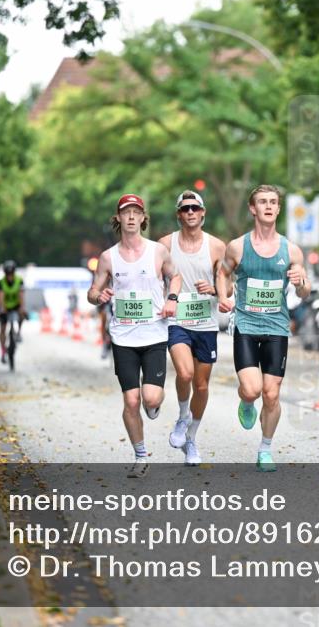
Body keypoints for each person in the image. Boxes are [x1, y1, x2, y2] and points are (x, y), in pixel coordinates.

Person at [87, 193, 181, 478]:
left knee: (150, 399)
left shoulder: (158, 252)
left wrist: (172, 299)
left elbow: (175, 276)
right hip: (123, 338)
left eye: (135, 212)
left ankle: (154, 403)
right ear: (118, 218)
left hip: (154, 334)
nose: (130, 217)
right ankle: (141, 456)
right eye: (125, 212)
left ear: (142, 218)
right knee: (130, 401)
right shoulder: (108, 257)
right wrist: (99, 296)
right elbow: (92, 292)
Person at [222, 185, 311, 472]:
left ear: (278, 209)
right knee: (252, 390)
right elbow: (223, 273)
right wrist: (223, 296)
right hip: (246, 324)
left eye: (273, 202)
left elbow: (305, 292)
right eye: (263, 202)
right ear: (253, 208)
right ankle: (247, 403)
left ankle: (265, 450)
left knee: (271, 394)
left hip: (277, 327)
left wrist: (301, 283)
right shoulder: (238, 247)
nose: (269, 206)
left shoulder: (291, 250)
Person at [159, 190, 233, 466]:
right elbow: (155, 278)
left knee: (201, 386)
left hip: (206, 323)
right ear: (178, 215)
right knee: (185, 372)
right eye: (185, 208)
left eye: (194, 208)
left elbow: (228, 286)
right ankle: (182, 417)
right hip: (177, 321)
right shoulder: (165, 245)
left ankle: (191, 438)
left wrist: (215, 290)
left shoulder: (217, 246)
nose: (190, 212)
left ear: (203, 213)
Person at [0, 260, 26, 364]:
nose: (9, 275)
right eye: (7, 274)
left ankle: (19, 333)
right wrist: (2, 308)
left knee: (22, 314)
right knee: (2, 329)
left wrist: (21, 307)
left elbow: (21, 295)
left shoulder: (19, 281)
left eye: (11, 273)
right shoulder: (1, 283)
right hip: (5, 306)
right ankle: (3, 351)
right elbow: (0, 296)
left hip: (16, 305)